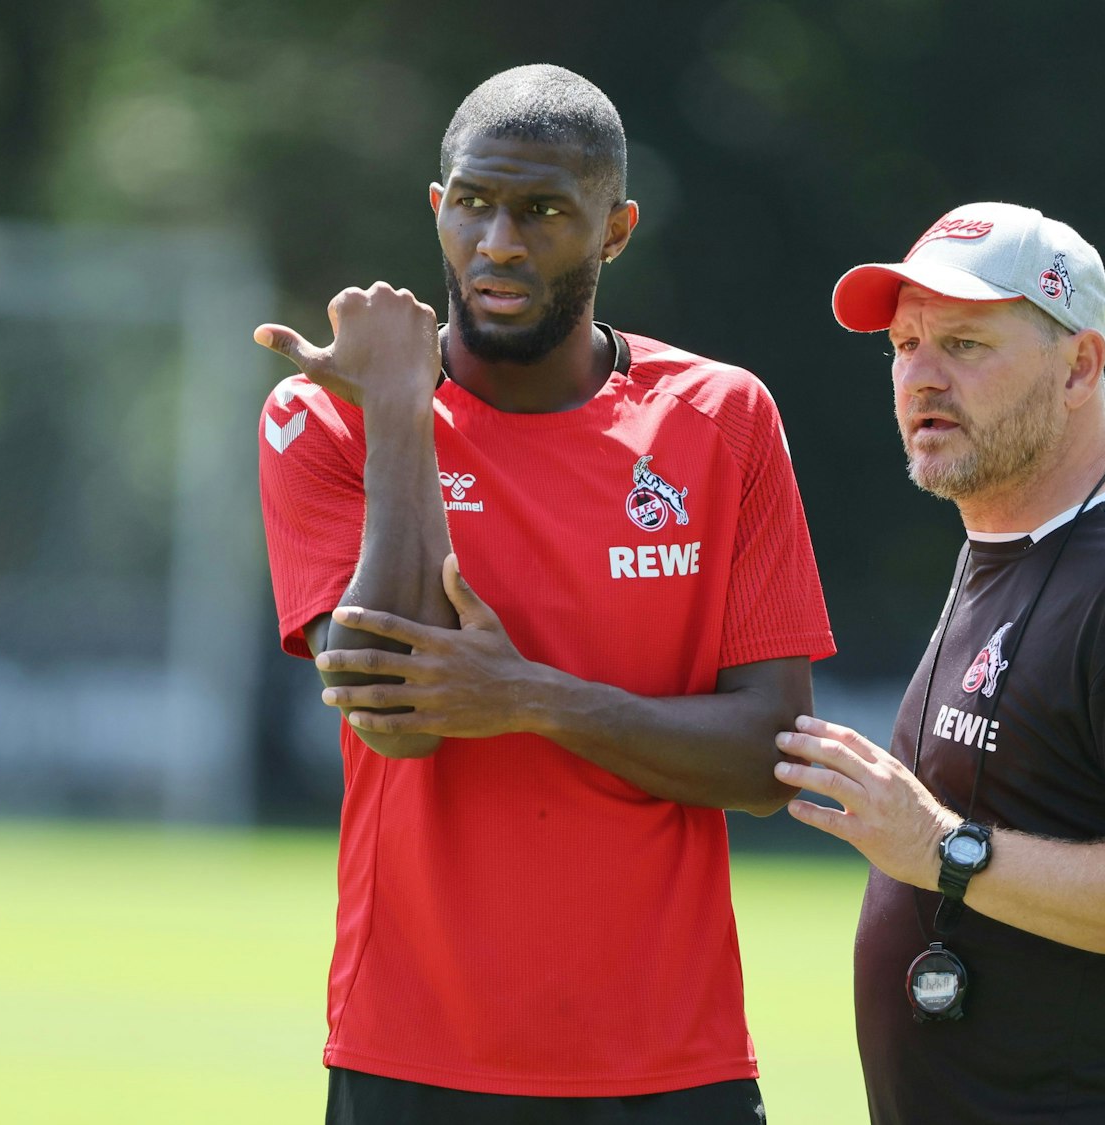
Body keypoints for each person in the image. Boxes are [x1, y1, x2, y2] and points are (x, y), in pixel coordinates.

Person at [251, 65, 833, 1124]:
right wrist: (402, 412)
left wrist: (531, 697)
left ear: (616, 231)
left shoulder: (722, 419)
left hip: (670, 1062)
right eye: (473, 204)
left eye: (544, 212)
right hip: (415, 1054)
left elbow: (767, 760)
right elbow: (395, 720)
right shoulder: (326, 417)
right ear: (438, 208)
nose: (500, 243)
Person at [773, 202, 1105, 1124]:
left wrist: (943, 849)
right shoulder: (1003, 537)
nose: (922, 376)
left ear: (1079, 365)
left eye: (965, 344)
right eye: (905, 344)